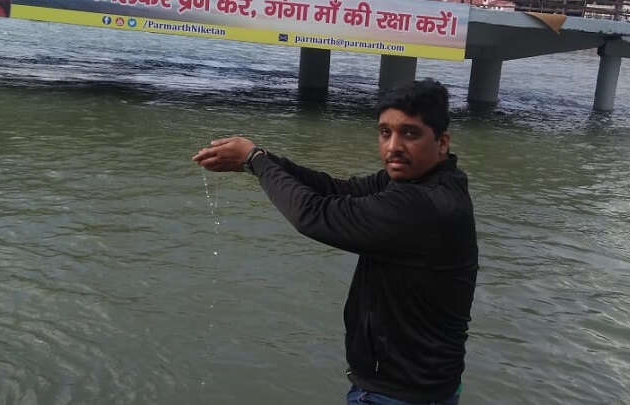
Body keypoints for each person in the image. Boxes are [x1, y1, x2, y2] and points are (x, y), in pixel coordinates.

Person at [192, 78, 478, 405]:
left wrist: (255, 160)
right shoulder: (418, 180)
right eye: (385, 132)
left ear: (442, 143)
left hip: (400, 395)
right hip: (417, 386)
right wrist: (266, 161)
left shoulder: (422, 206)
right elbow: (335, 189)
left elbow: (312, 214)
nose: (393, 147)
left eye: (409, 133)